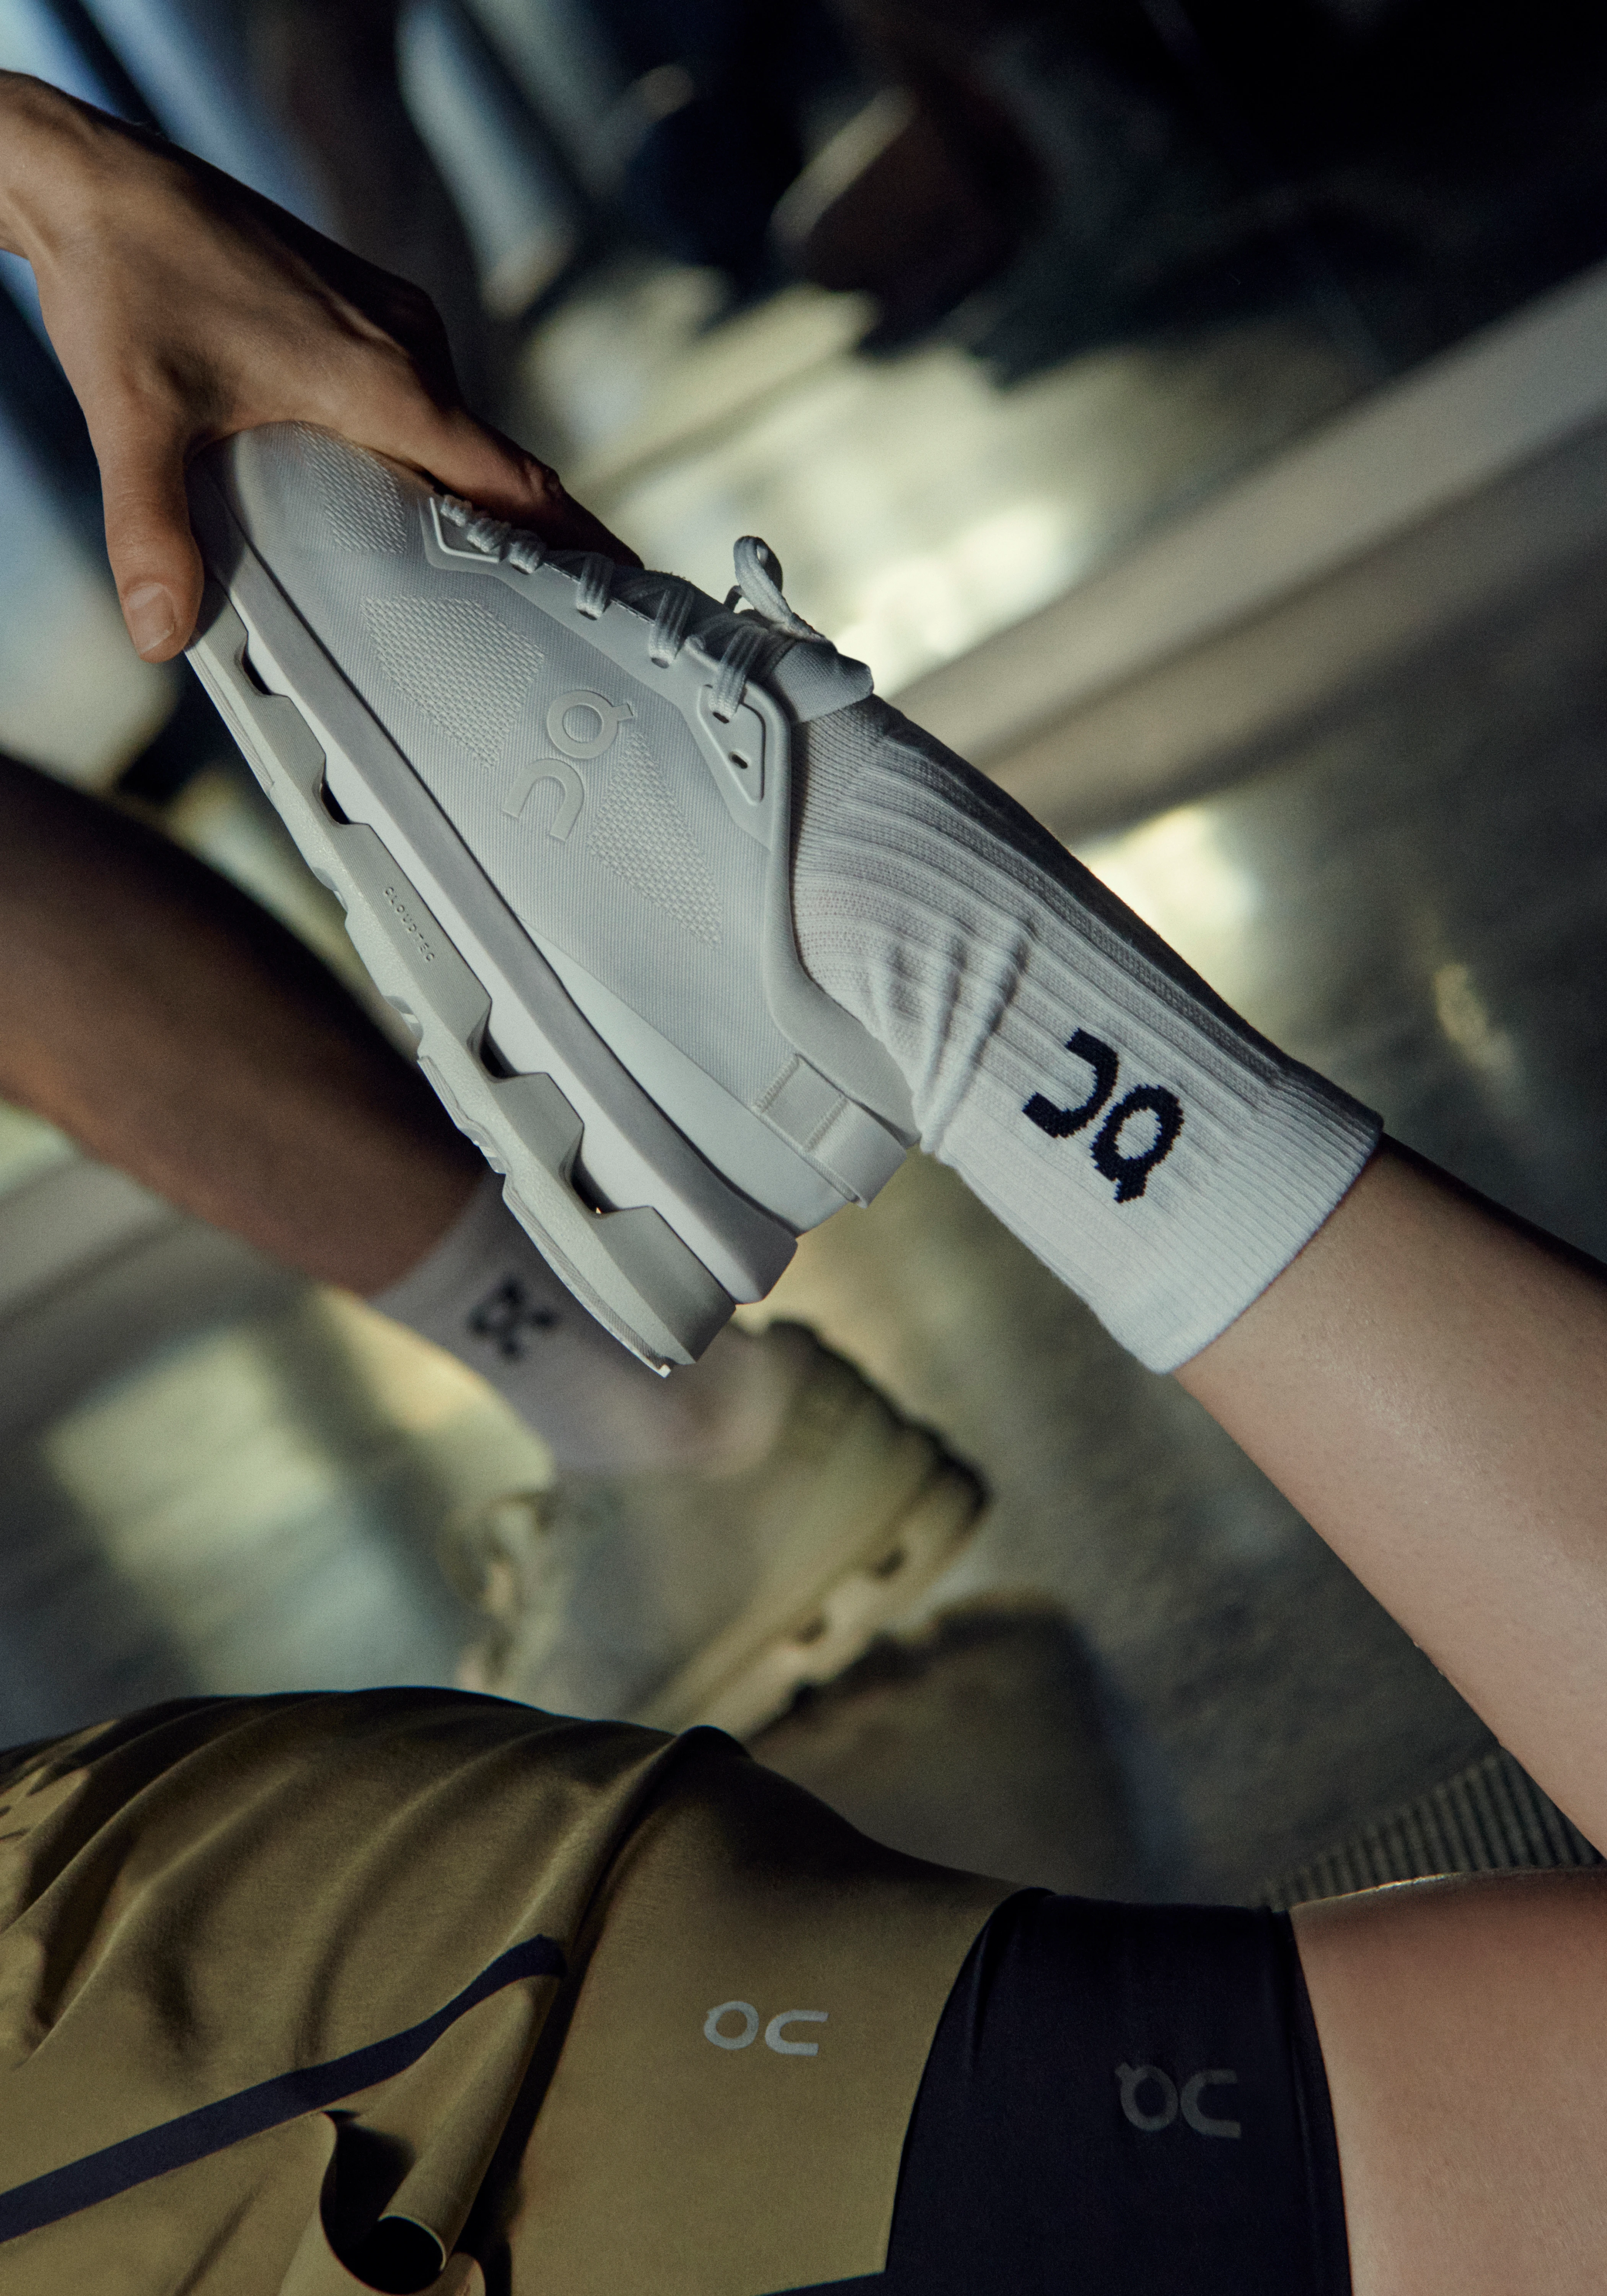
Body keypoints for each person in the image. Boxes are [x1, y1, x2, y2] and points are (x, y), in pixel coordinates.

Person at [1, 68, 1605, 2296]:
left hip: (279, 2118)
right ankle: (894, 930)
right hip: (198, 1924)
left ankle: (882, 949)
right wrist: (58, 171)